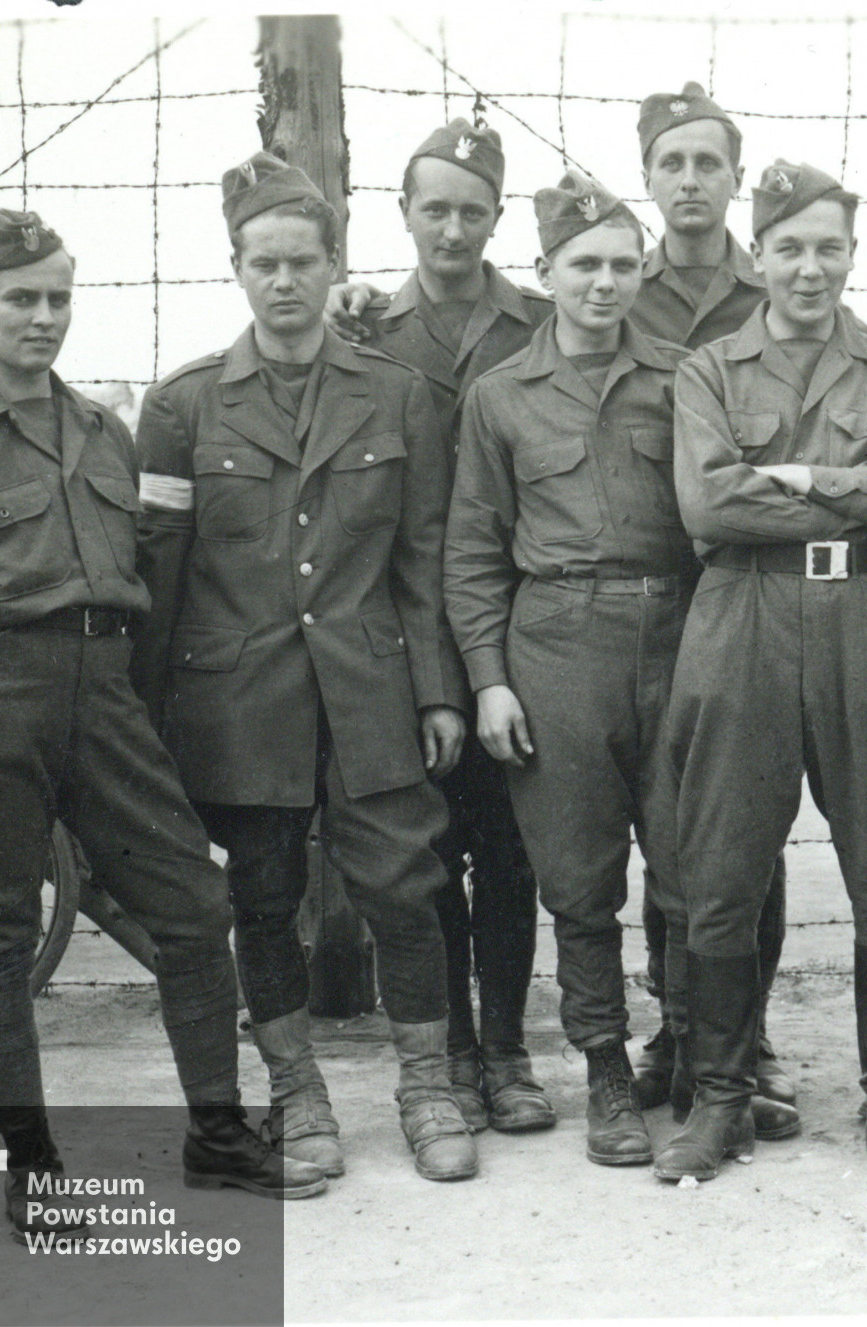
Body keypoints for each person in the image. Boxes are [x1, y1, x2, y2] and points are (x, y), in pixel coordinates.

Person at [0, 208, 326, 1239]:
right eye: (21, 298)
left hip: (104, 696)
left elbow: (142, 563)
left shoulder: (104, 430)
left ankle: (218, 1134)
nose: (43, 317)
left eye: (58, 297)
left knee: (193, 907)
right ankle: (34, 1170)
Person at [132, 153, 475, 1184]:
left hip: (372, 688)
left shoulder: (397, 396)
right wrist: (151, 719)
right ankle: (296, 1092)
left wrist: (438, 692)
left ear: (334, 265)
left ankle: (427, 1088)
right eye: (264, 264)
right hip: (240, 701)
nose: (284, 282)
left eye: (302, 262)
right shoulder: (182, 406)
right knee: (263, 898)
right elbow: (162, 575)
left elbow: (421, 559)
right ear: (236, 267)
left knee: (405, 889)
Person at [657, 160, 867, 1186]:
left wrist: (809, 477)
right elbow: (710, 505)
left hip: (865, 616)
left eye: (829, 247)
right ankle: (720, 1097)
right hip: (741, 615)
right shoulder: (709, 372)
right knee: (722, 872)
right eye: (789, 247)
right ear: (759, 254)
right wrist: (864, 493)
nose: (809, 267)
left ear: (853, 254)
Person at [446, 171, 695, 1168]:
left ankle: (692, 1052)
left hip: (677, 633)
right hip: (557, 642)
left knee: (687, 864)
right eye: (584, 264)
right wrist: (488, 677)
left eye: (624, 265)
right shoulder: (500, 396)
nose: (605, 283)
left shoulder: (685, 379)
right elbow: (473, 551)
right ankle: (606, 1071)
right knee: (581, 879)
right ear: (545, 271)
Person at [331, 118, 558, 1136]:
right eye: (436, 209)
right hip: (407, 628)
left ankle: (506, 1049)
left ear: (498, 217)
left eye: (473, 210)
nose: (453, 229)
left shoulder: (542, 321)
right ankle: (451, 1054)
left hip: (519, 625)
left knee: (510, 854)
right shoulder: (364, 329)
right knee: (424, 859)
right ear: (405, 212)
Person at [627, 83, 797, 1130]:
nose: (690, 181)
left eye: (708, 163)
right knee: (666, 828)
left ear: (736, 177)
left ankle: (748, 1030)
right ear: (647, 178)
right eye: (671, 163)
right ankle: (676, 1026)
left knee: (746, 827)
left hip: (749, 592)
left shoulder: (775, 281)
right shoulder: (614, 281)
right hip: (647, 597)